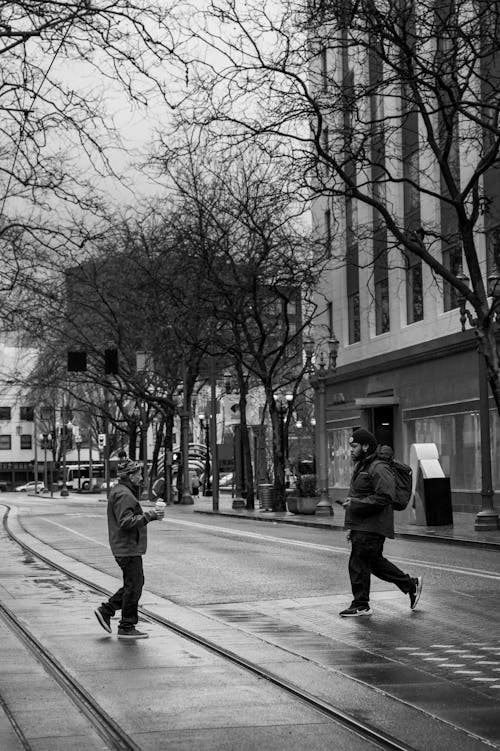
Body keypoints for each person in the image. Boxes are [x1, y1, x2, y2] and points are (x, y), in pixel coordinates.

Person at [340, 428, 423, 617]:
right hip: (363, 525)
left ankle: (361, 604)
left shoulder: (378, 467)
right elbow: (361, 495)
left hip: (373, 526)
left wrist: (355, 503)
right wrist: (352, 523)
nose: (351, 450)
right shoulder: (364, 465)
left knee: (359, 563)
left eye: (354, 446)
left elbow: (385, 497)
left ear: (366, 446)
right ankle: (411, 585)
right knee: (374, 563)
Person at [94, 456, 164, 639]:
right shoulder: (124, 494)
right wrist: (150, 516)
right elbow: (126, 522)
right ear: (130, 475)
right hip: (127, 548)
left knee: (134, 584)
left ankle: (107, 611)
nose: (141, 477)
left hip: (127, 547)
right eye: (139, 474)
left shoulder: (122, 491)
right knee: (134, 586)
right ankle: (125, 625)